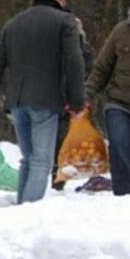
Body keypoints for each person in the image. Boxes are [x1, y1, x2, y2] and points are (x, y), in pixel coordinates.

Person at [0, 0, 86, 204]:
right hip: (46, 100)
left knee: (28, 159)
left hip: (17, 101)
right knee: (41, 161)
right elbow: (74, 61)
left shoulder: (14, 23)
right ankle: (27, 213)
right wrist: (78, 102)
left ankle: (22, 206)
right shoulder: (65, 21)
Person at [84, 0, 130, 196]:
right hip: (118, 101)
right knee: (119, 143)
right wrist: (88, 93)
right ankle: (123, 195)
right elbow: (102, 67)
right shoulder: (122, 31)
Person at [52, 13, 94, 191]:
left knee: (58, 138)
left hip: (61, 98)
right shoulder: (83, 50)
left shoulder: (58, 48)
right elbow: (87, 74)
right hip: (74, 99)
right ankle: (59, 173)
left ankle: (57, 173)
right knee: (65, 138)